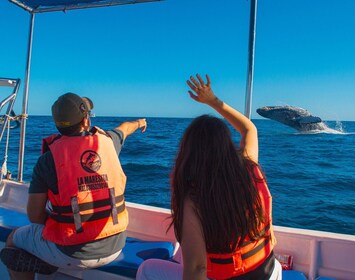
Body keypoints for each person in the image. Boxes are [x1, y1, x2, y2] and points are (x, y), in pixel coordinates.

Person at [136, 74, 281, 280]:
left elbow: (197, 269)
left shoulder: (193, 199)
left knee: (147, 269)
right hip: (270, 272)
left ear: (189, 152)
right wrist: (213, 101)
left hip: (229, 277)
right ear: (226, 145)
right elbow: (249, 129)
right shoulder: (251, 166)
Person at [0, 92, 147, 280]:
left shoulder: (47, 160)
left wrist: (60, 223)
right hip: (116, 245)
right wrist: (141, 122)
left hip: (70, 253)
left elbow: (35, 216)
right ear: (86, 120)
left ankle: (46, 259)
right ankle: (49, 257)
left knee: (13, 240)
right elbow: (125, 128)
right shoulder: (108, 142)